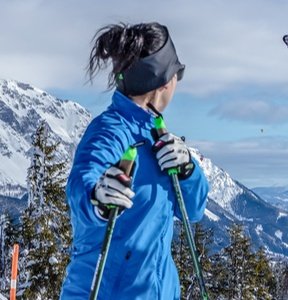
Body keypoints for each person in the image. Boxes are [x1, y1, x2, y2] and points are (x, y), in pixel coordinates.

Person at [60, 22, 209, 299]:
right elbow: (81, 182)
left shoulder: (158, 137)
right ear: (165, 82)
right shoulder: (111, 131)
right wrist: (97, 197)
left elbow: (194, 210)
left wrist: (188, 170)